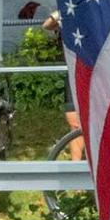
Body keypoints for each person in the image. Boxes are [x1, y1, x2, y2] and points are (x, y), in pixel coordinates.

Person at [41, 10, 83, 162]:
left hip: (99, 72)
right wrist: (59, 13)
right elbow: (47, 25)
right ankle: (75, 174)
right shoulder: (72, 9)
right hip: (75, 72)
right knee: (75, 125)